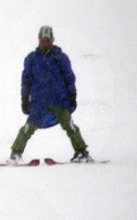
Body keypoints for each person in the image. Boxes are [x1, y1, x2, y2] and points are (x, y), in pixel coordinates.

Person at [6, 26, 94, 164]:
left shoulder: (61, 57)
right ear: (39, 40)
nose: (45, 42)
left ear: (52, 40)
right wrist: (24, 98)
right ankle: (15, 155)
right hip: (39, 102)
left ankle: (82, 152)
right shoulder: (32, 58)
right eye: (42, 39)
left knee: (70, 126)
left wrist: (72, 96)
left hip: (59, 100)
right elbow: (26, 80)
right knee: (28, 128)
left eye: (47, 39)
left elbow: (69, 77)